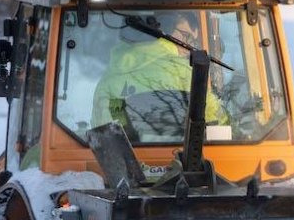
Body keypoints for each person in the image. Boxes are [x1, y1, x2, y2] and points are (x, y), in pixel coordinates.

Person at [91, 12, 225, 136]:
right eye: (186, 36)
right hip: (178, 156)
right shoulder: (184, 72)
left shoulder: (110, 75)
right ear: (166, 30)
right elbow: (214, 118)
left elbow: (102, 129)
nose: (189, 47)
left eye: (193, 42)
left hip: (126, 159)